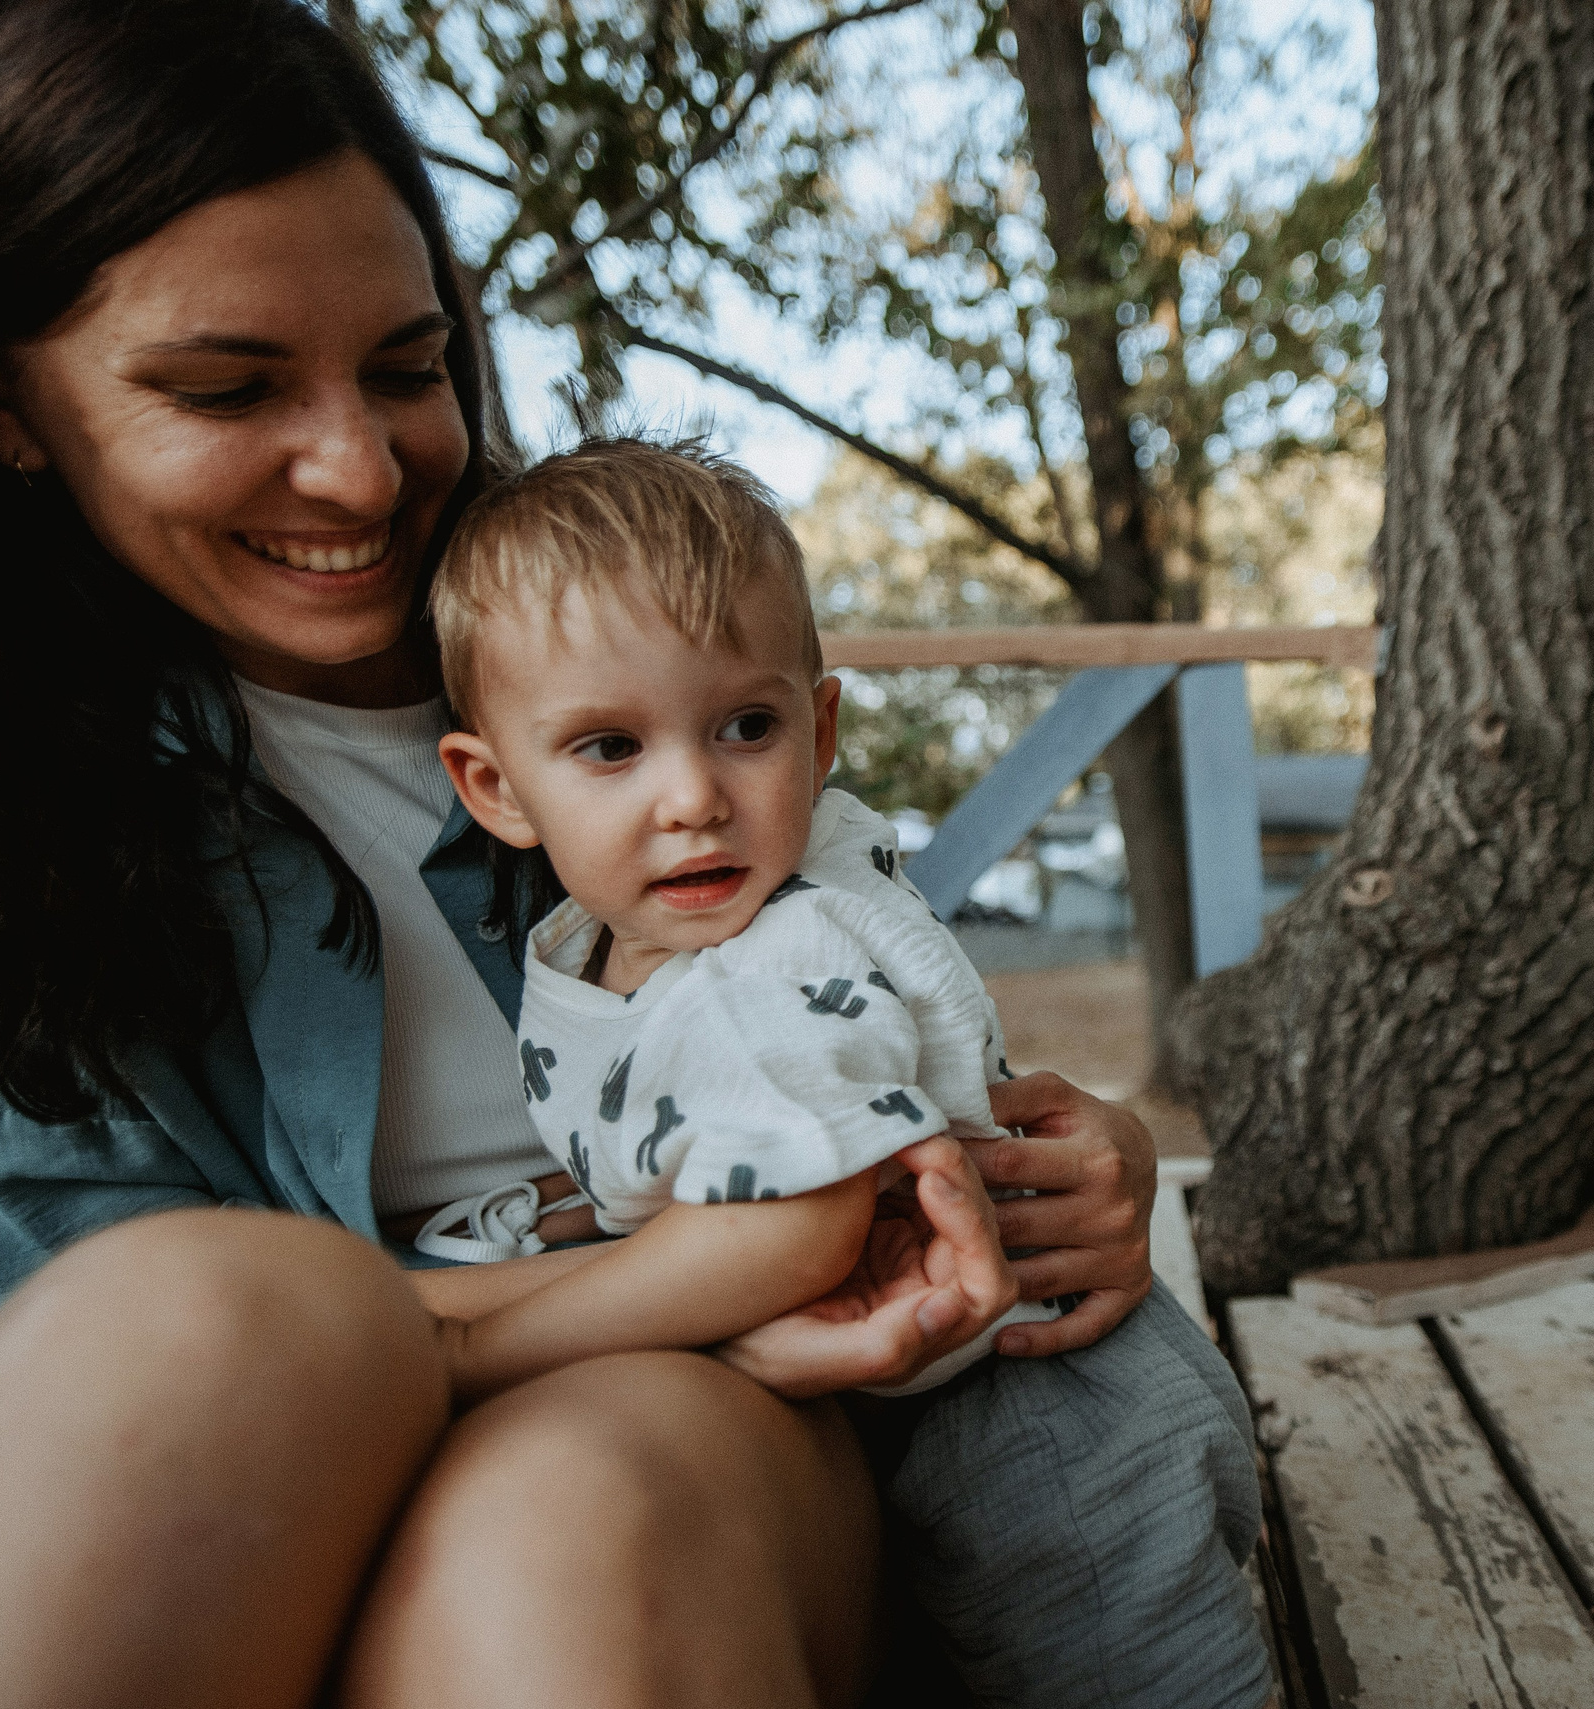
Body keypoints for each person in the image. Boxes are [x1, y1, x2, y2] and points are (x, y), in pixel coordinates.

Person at [0, 3, 1258, 1706]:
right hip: (268, 1512)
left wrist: (1063, 1158)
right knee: (211, 1318)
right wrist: (542, 1311)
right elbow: (87, 1406)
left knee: (564, 1527)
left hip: (714, 1442)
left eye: (405, 364)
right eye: (225, 387)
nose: (362, 470)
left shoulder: (609, 633)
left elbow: (838, 1043)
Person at [417, 437, 1273, 1690]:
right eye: (611, 747)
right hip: (917, 1379)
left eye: (745, 726)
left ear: (818, 732)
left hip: (1031, 1419)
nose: (695, 795)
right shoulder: (607, 939)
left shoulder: (759, 962)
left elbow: (791, 1232)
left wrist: (466, 1350)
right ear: (493, 786)